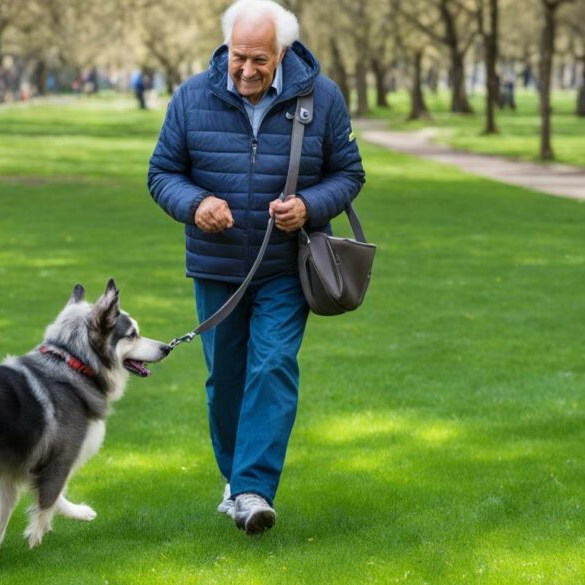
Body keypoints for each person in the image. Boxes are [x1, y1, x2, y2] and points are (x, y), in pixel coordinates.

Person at [147, 0, 364, 535]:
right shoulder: (192, 97)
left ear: (282, 53)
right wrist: (195, 203)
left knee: (273, 368)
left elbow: (349, 173)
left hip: (288, 267)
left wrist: (310, 207)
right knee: (226, 380)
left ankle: (252, 490)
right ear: (226, 48)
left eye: (260, 60)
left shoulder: (323, 98)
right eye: (239, 57)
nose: (246, 70)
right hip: (217, 267)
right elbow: (162, 173)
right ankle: (235, 478)